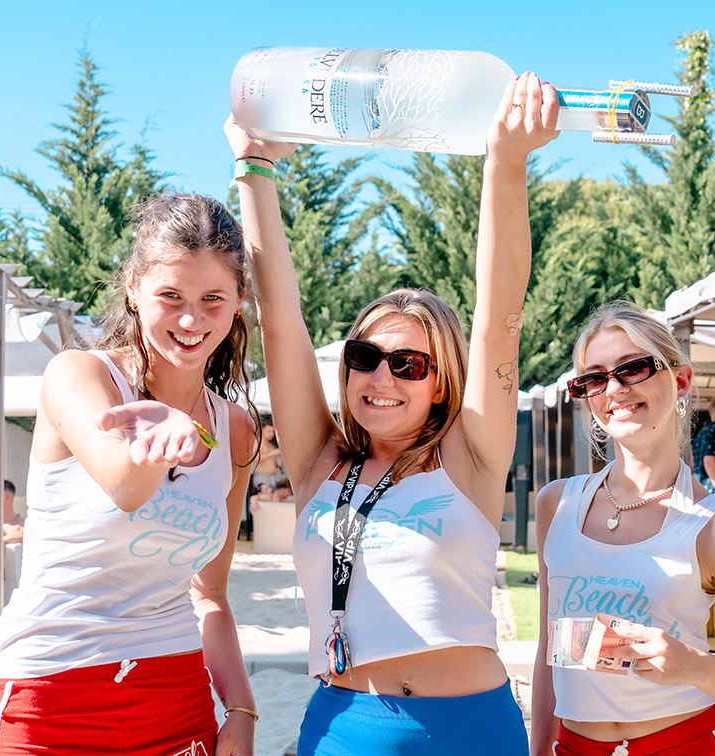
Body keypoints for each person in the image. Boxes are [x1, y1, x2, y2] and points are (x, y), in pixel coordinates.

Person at [229, 72, 556, 756]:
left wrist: (506, 161)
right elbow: (282, 324)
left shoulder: (469, 456)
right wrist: (254, 168)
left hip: (472, 732)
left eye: (408, 364)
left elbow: (499, 320)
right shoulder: (323, 462)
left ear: (441, 383)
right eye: (365, 355)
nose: (381, 376)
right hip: (348, 728)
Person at [0, 193, 258, 756]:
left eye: (212, 299)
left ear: (238, 302)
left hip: (176, 692)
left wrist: (242, 709)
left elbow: (210, 595)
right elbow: (124, 485)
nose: (190, 319)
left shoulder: (236, 429)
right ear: (133, 289)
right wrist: (156, 440)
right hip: (50, 692)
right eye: (170, 296)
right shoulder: (78, 375)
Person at [531, 304, 715, 756]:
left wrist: (692, 666)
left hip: (685, 743)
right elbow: (551, 654)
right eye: (595, 378)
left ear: (680, 380)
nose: (614, 389)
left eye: (633, 368)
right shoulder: (556, 503)